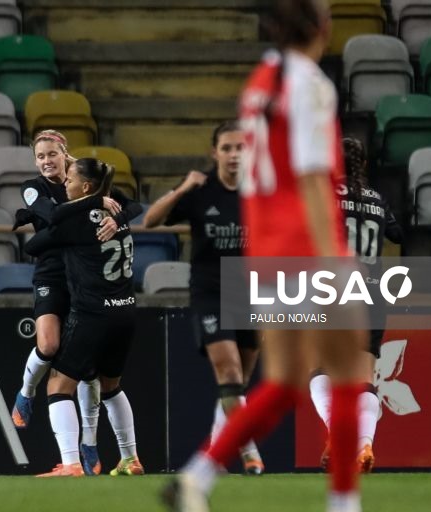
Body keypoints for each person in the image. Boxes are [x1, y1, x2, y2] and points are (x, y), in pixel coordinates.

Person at [164, 1, 367, 511]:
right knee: (348, 375)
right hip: (308, 248)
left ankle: (197, 476)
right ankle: (344, 504)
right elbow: (312, 177)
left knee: (284, 383)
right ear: (324, 27)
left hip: (268, 254)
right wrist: (332, 261)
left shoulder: (262, 80)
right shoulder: (311, 84)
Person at [10, 130, 135, 475]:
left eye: (52, 154)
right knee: (49, 346)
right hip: (52, 277)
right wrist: (95, 202)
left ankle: (88, 446)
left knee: (88, 373)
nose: (46, 161)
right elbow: (52, 216)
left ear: (66, 154)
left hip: (82, 278)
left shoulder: (84, 179)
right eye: (40, 156)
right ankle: (26, 391)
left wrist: (118, 217)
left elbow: (134, 205)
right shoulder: (34, 187)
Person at [144, 120, 264, 475]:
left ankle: (216, 449)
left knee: (238, 382)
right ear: (215, 153)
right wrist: (182, 188)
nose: (233, 155)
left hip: (251, 293)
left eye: (240, 148)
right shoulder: (200, 190)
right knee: (227, 369)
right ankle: (249, 451)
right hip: (211, 292)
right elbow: (150, 221)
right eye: (226, 148)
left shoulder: (259, 190)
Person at [309, 137, 403, 473]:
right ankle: (364, 443)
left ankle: (337, 431)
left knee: (321, 370)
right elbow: (398, 234)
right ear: (362, 165)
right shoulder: (378, 200)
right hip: (372, 292)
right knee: (364, 377)